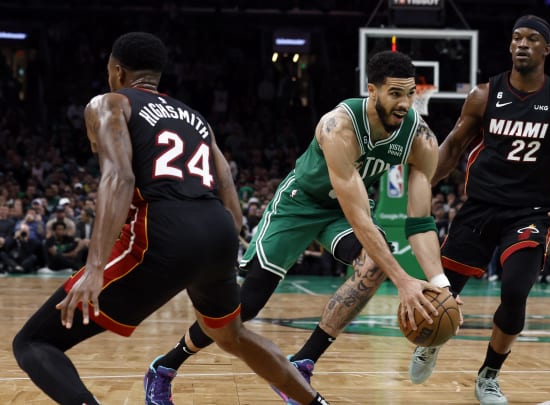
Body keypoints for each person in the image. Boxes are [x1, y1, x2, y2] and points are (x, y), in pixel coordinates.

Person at [12, 32, 328, 405]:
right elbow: (230, 196)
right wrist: (213, 253)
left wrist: (95, 267)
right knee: (233, 336)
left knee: (33, 342)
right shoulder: (195, 119)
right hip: (217, 230)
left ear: (117, 70)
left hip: (164, 230)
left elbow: (119, 177)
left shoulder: (109, 103)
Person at [143, 50, 450, 405]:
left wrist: (440, 283)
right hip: (300, 204)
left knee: (373, 263)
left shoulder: (421, 138)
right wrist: (403, 282)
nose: (405, 103)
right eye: (395, 93)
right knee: (245, 306)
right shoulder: (339, 127)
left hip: (341, 211)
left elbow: (421, 222)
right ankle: (165, 366)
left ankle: (302, 363)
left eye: (411, 93)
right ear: (372, 90)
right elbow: (359, 218)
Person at [408, 15, 550, 404]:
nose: (522, 44)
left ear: (546, 49)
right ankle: (431, 341)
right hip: (479, 206)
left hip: (530, 213)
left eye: (531, 39)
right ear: (510, 46)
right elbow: (454, 146)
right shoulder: (483, 95)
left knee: (514, 290)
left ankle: (489, 375)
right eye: (516, 38)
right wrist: (426, 180)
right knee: (444, 289)